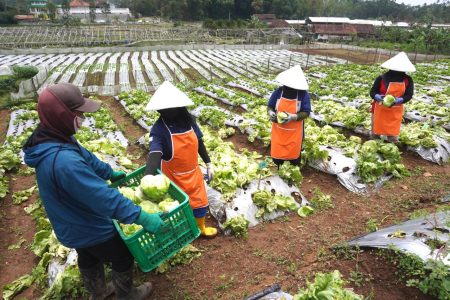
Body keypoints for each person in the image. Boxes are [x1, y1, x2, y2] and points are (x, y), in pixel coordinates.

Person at [23, 83, 164, 300]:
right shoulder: (63, 162)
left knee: (88, 255)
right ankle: (128, 296)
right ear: (62, 114)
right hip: (86, 225)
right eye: (78, 113)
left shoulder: (55, 137)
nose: (82, 117)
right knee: (122, 255)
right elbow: (102, 198)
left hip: (71, 221)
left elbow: (85, 155)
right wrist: (140, 216)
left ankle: (98, 292)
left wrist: (108, 172)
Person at [144, 81, 217, 238]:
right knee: (175, 205)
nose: (164, 112)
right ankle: (181, 230)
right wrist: (147, 178)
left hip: (193, 171)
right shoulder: (158, 129)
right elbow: (155, 153)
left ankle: (200, 227)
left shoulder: (190, 121)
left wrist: (208, 163)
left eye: (167, 109)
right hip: (173, 175)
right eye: (162, 110)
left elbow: (199, 142)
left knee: (199, 201)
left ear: (178, 107)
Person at [267, 65, 311, 168]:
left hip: (294, 132)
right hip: (279, 130)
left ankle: (293, 172)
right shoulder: (278, 92)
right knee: (277, 156)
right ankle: (278, 169)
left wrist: (292, 117)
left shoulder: (303, 95)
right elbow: (270, 106)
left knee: (294, 157)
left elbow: (306, 112)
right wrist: (271, 113)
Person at [370, 51, 415, 142]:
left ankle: (391, 144)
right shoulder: (381, 78)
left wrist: (400, 100)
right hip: (380, 108)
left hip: (396, 110)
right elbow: (372, 92)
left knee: (392, 135)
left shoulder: (407, 80)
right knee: (376, 133)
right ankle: (375, 144)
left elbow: (409, 95)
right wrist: (377, 96)